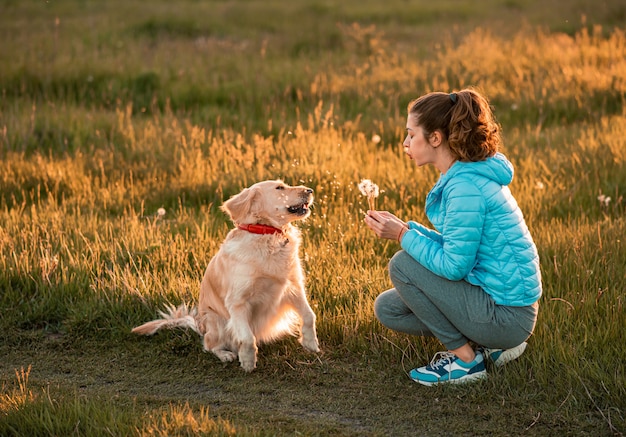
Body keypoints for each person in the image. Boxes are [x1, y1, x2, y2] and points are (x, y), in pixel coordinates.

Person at [364, 88, 541, 386]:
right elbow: (459, 250)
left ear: (435, 138)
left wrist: (402, 236)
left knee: (401, 265)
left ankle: (467, 362)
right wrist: (406, 229)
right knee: (389, 308)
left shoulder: (466, 188)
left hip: (507, 317)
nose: (406, 143)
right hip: (494, 302)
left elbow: (454, 267)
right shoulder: (465, 177)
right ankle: (487, 349)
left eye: (411, 134)